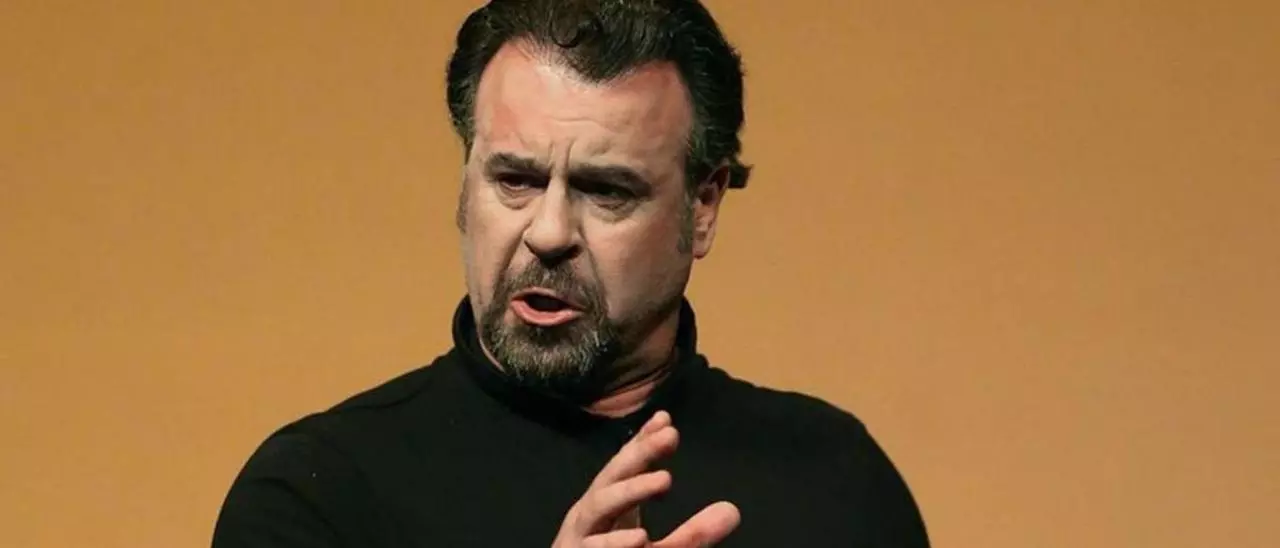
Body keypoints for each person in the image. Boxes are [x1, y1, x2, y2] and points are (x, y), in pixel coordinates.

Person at [212, 1, 930, 546]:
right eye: (515, 180)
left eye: (606, 190)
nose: (549, 233)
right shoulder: (319, 496)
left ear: (703, 206)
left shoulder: (836, 484)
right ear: (465, 185)